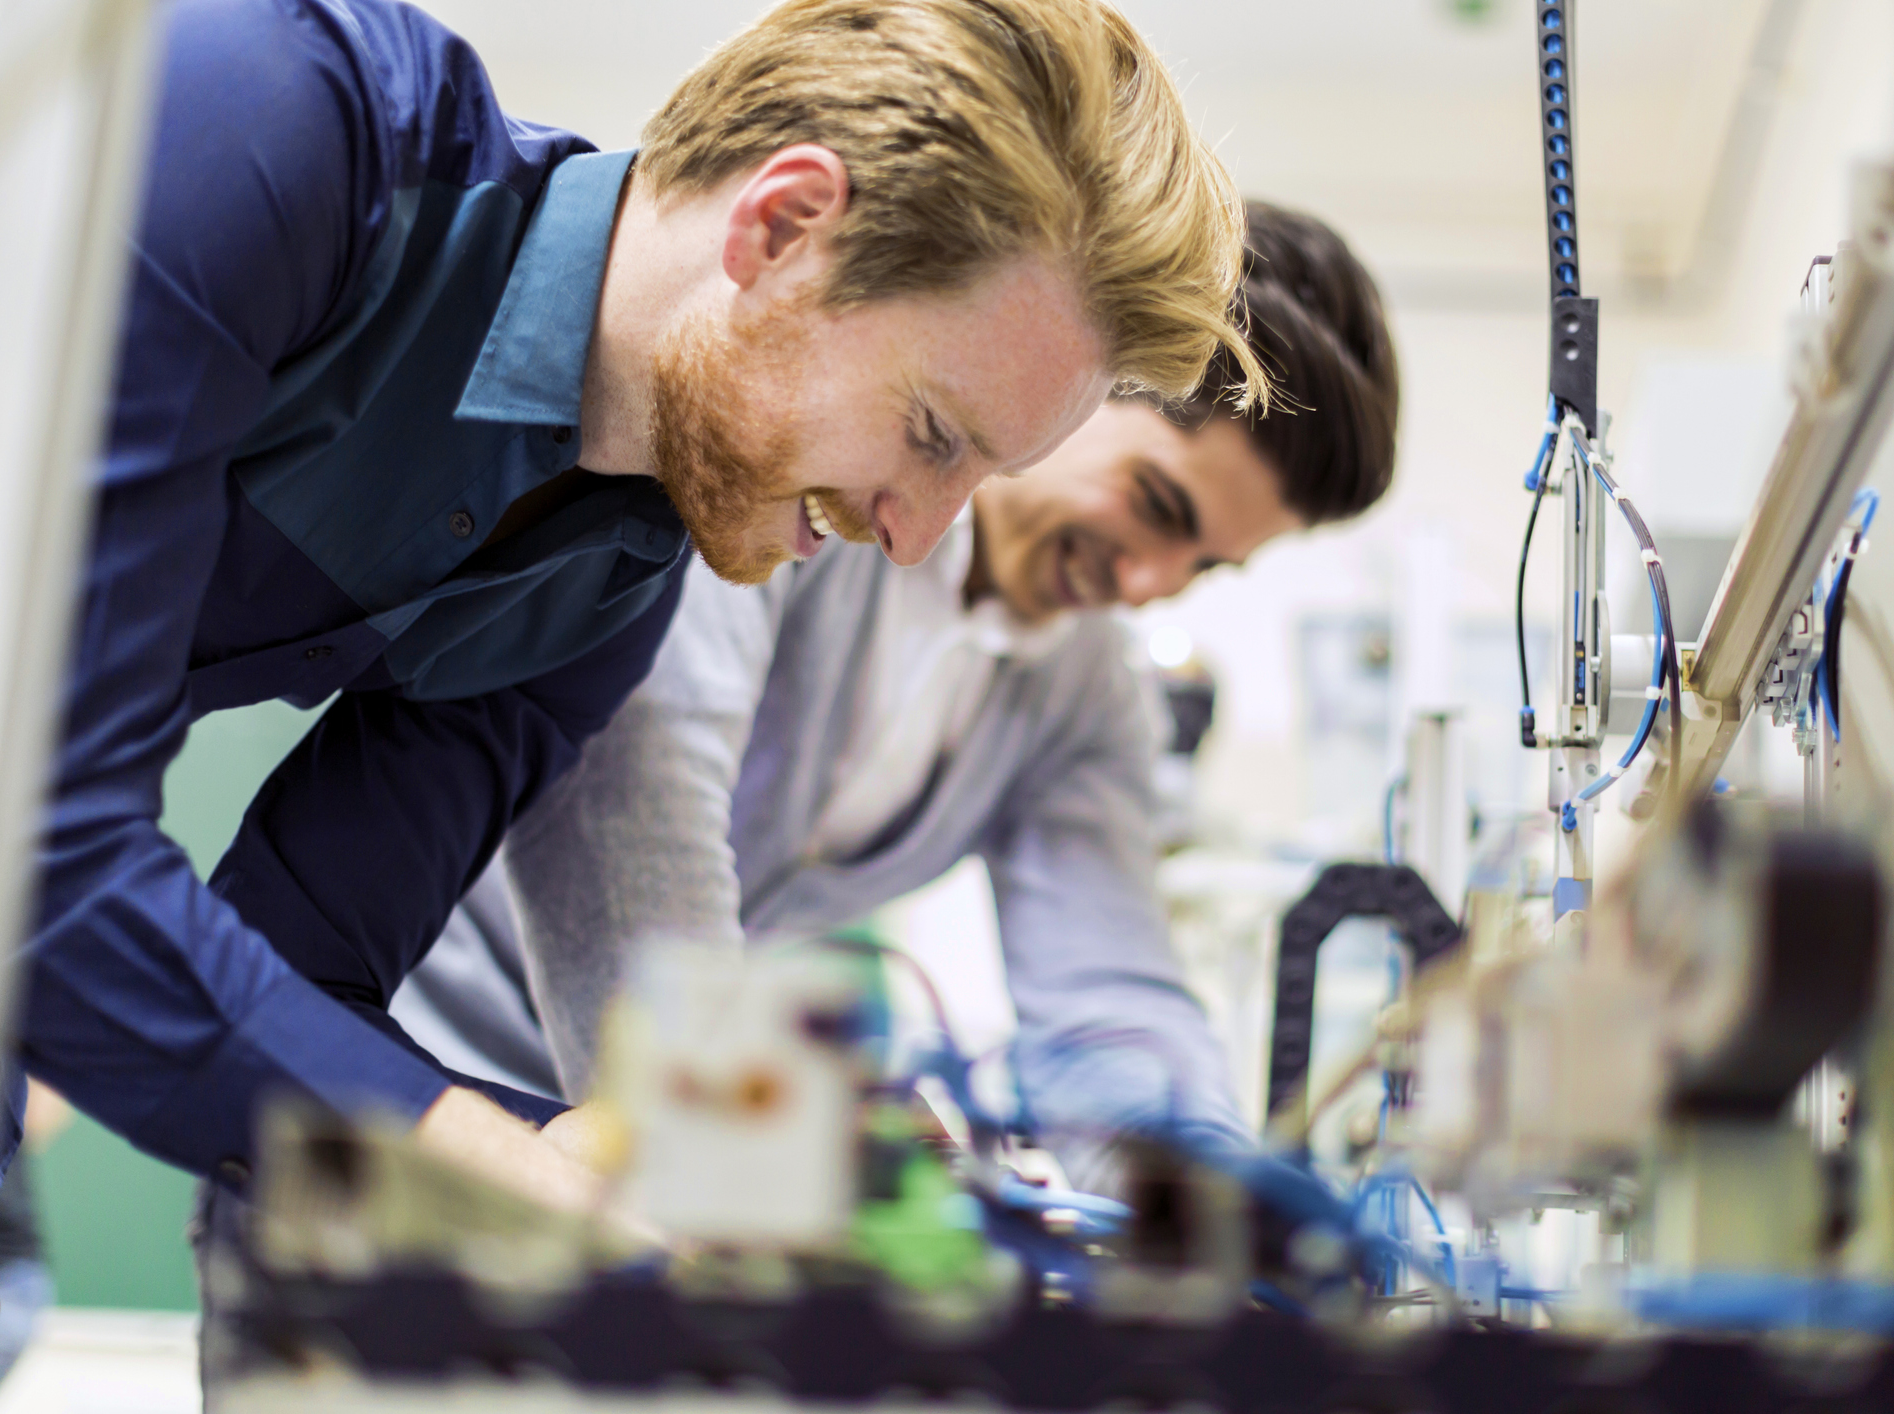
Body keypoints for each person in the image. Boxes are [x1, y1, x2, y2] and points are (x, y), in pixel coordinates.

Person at [19, 0, 1260, 1212]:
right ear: (782, 227)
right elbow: (45, 858)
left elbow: (301, 984)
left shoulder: (606, 584)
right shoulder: (276, 118)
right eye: (932, 434)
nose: (916, 535)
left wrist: (651, 1164)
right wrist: (510, 1166)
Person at [395, 203, 1400, 1190]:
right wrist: (759, 1145)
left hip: (655, 1153)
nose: (1148, 584)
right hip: (427, 1082)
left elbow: (1108, 1000)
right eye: (1156, 507)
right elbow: (638, 806)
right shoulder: (820, 488)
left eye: (1205, 566)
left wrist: (1209, 1217)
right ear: (1084, 382)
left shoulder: (1086, 694)